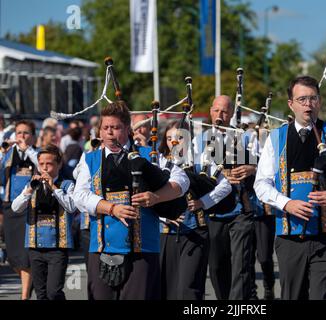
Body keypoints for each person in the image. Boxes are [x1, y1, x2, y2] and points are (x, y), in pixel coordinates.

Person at [254, 76, 326, 300]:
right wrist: (287, 203)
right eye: (302, 99)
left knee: (323, 295)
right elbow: (261, 184)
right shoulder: (276, 137)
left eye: (313, 98)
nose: (308, 104)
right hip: (289, 235)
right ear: (291, 104)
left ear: (320, 102)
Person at [72, 101, 189, 300]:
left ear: (127, 129)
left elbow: (181, 180)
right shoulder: (89, 159)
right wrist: (112, 209)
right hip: (101, 247)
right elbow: (80, 196)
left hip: (143, 248)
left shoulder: (149, 155)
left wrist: (156, 197)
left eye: (115, 128)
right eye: (105, 128)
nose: (110, 133)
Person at [158, 121, 232, 300]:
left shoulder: (200, 160)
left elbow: (226, 186)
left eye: (179, 138)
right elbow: (149, 195)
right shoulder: (160, 162)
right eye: (169, 138)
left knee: (189, 288)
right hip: (166, 233)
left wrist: (202, 202)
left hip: (196, 231)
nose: (174, 143)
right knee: (167, 288)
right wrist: (163, 217)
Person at [195, 95, 256, 300]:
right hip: (213, 209)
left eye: (224, 111)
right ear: (210, 111)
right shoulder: (198, 139)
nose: (220, 115)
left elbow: (266, 165)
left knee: (240, 265)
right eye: (216, 111)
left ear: (231, 113)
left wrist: (251, 168)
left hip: (241, 209)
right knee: (217, 265)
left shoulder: (246, 136)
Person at [11, 145, 76, 300]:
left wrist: (53, 187)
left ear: (59, 164)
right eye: (41, 164)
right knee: (41, 294)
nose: (45, 168)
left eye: (49, 164)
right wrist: (28, 191)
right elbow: (15, 208)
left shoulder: (67, 185)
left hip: (58, 247)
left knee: (53, 292)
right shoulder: (31, 184)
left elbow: (71, 206)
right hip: (35, 246)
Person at [0, 120, 39, 300]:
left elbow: (42, 167)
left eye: (25, 133)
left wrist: (28, 150)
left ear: (33, 136)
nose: (21, 137)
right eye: (19, 133)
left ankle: (24, 296)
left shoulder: (37, 153)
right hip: (9, 207)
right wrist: (3, 152)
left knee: (24, 256)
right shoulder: (8, 154)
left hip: (30, 207)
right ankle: (30, 283)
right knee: (13, 257)